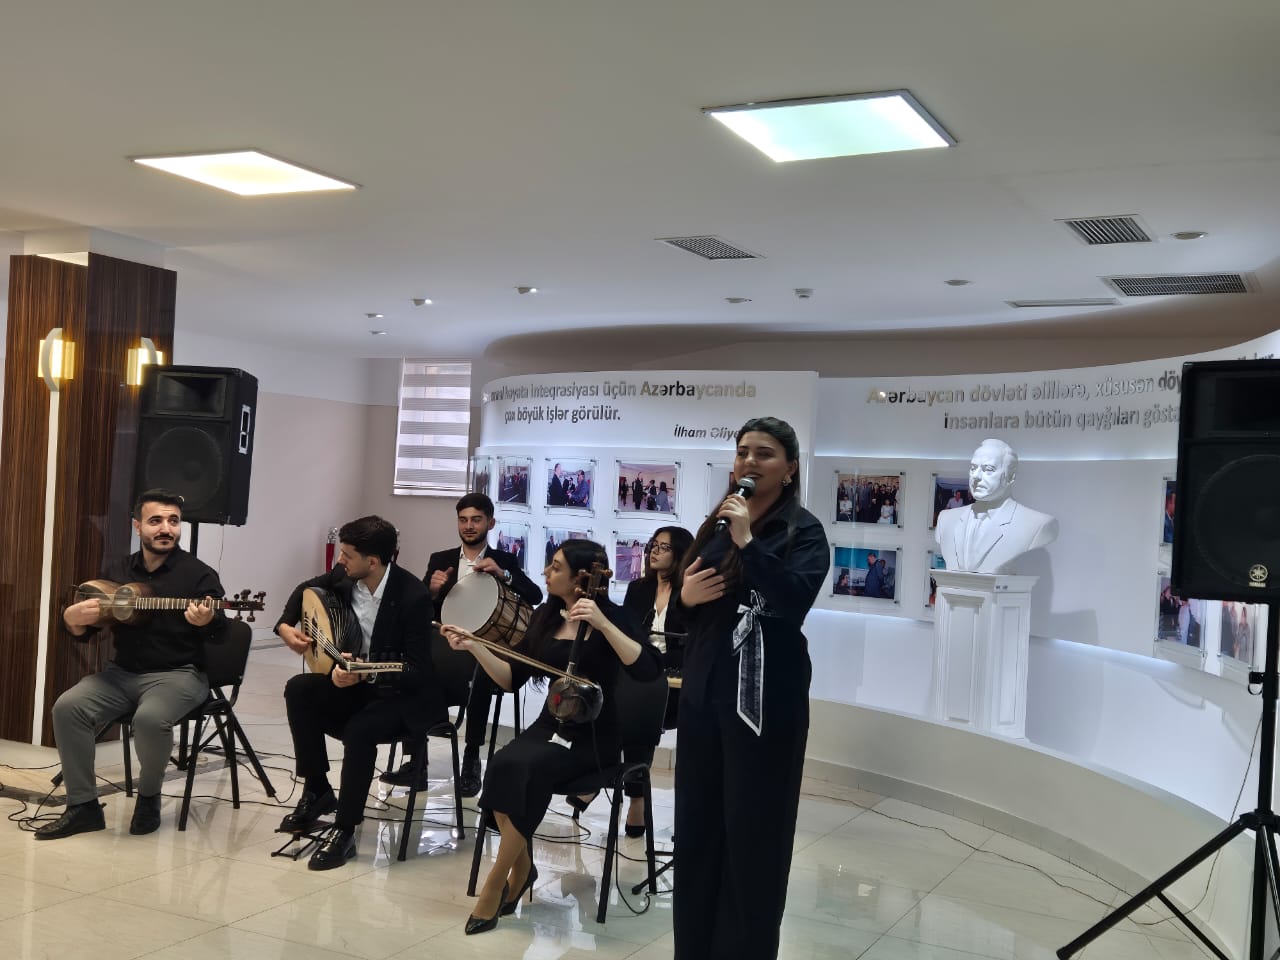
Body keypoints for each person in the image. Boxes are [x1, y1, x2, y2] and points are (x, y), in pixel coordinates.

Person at [441, 539, 660, 935]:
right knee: (504, 763)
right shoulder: (546, 615)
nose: (545, 572)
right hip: (551, 724)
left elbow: (646, 669)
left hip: (593, 735)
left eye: (555, 567)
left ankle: (496, 884)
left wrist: (602, 624)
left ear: (581, 578)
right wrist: (474, 646)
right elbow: (511, 678)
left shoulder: (613, 616)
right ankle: (523, 867)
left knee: (530, 768)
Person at [674, 417, 829, 959]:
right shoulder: (715, 523)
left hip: (764, 706)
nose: (748, 462)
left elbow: (793, 600)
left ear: (789, 470)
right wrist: (684, 598)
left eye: (764, 454)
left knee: (753, 834)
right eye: (742, 452)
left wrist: (747, 542)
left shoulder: (804, 532)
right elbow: (685, 610)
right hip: (703, 697)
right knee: (698, 831)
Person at [38, 489, 226, 840]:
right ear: (138, 526)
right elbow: (88, 629)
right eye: (156, 521)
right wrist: (72, 619)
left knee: (150, 719)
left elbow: (221, 632)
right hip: (121, 674)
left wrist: (208, 621)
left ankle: (149, 797)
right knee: (68, 707)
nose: (166, 528)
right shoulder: (119, 570)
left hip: (178, 675)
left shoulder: (199, 575)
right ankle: (83, 807)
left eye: (173, 521)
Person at [275, 516, 444, 870]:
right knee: (298, 689)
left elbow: (417, 670)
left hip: (399, 697)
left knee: (360, 730)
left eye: (348, 555)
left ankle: (345, 828)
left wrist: (366, 671)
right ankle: (317, 790)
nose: (340, 561)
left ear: (373, 561)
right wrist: (285, 626)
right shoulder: (346, 576)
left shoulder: (412, 597)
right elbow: (305, 589)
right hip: (356, 685)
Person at [396, 493, 543, 794]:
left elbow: (535, 596)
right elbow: (420, 609)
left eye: (476, 519)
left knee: (481, 675)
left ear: (490, 522)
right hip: (446, 642)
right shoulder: (441, 559)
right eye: (463, 520)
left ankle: (471, 758)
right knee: (412, 667)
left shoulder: (504, 560)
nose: (469, 526)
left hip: (483, 646)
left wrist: (504, 575)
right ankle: (416, 761)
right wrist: (431, 590)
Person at [621, 525, 694, 835]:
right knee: (631, 705)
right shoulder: (638, 589)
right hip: (642, 673)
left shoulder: (690, 592)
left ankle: (632, 797)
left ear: (680, 554)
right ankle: (634, 797)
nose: (654, 551)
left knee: (642, 709)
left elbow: (693, 644)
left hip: (679, 683)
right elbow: (626, 633)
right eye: (654, 545)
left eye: (664, 547)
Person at [935, 438, 1058, 574]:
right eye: (973, 468)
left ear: (1010, 476)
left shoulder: (1038, 524)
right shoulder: (946, 519)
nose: (976, 476)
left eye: (988, 469)